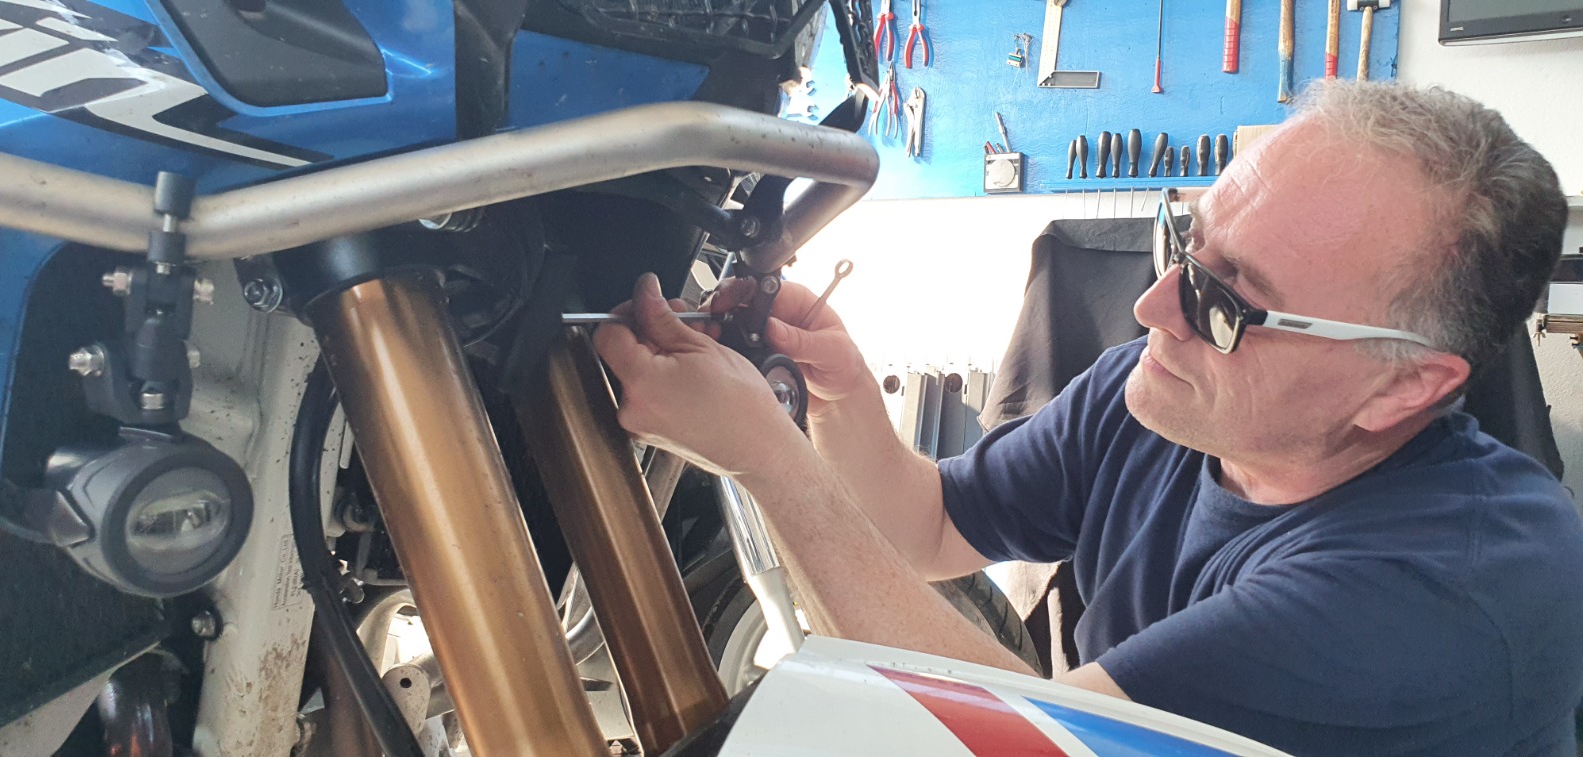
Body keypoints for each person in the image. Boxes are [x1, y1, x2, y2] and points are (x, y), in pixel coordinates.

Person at [593, 80, 1583, 754]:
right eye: (1182, 245)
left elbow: (1009, 743)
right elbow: (926, 527)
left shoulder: (1448, 589)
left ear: (1403, 387)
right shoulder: (1163, 398)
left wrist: (768, 461)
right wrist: (839, 395)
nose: (1153, 309)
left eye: (1226, 304)